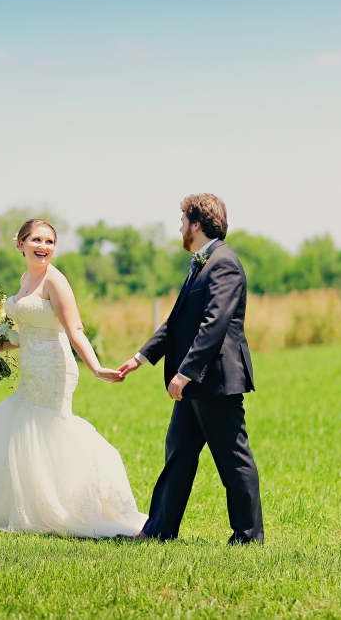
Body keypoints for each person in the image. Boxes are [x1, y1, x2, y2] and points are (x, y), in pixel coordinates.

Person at [0, 219, 147, 537]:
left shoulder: (56, 282)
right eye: (37, 240)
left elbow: (76, 330)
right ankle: (30, 506)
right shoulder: (25, 278)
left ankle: (71, 507)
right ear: (21, 244)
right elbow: (24, 332)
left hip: (55, 369)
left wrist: (96, 368)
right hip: (30, 367)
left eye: (49, 242)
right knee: (23, 431)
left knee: (51, 428)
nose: (43, 247)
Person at [119, 194, 264, 544]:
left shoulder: (223, 263)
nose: (180, 227)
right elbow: (176, 323)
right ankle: (158, 532)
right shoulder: (203, 262)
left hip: (213, 380)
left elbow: (214, 324)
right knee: (178, 455)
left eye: (183, 220)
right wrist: (140, 358)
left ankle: (247, 538)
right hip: (193, 384)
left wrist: (185, 373)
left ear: (197, 224)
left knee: (233, 460)